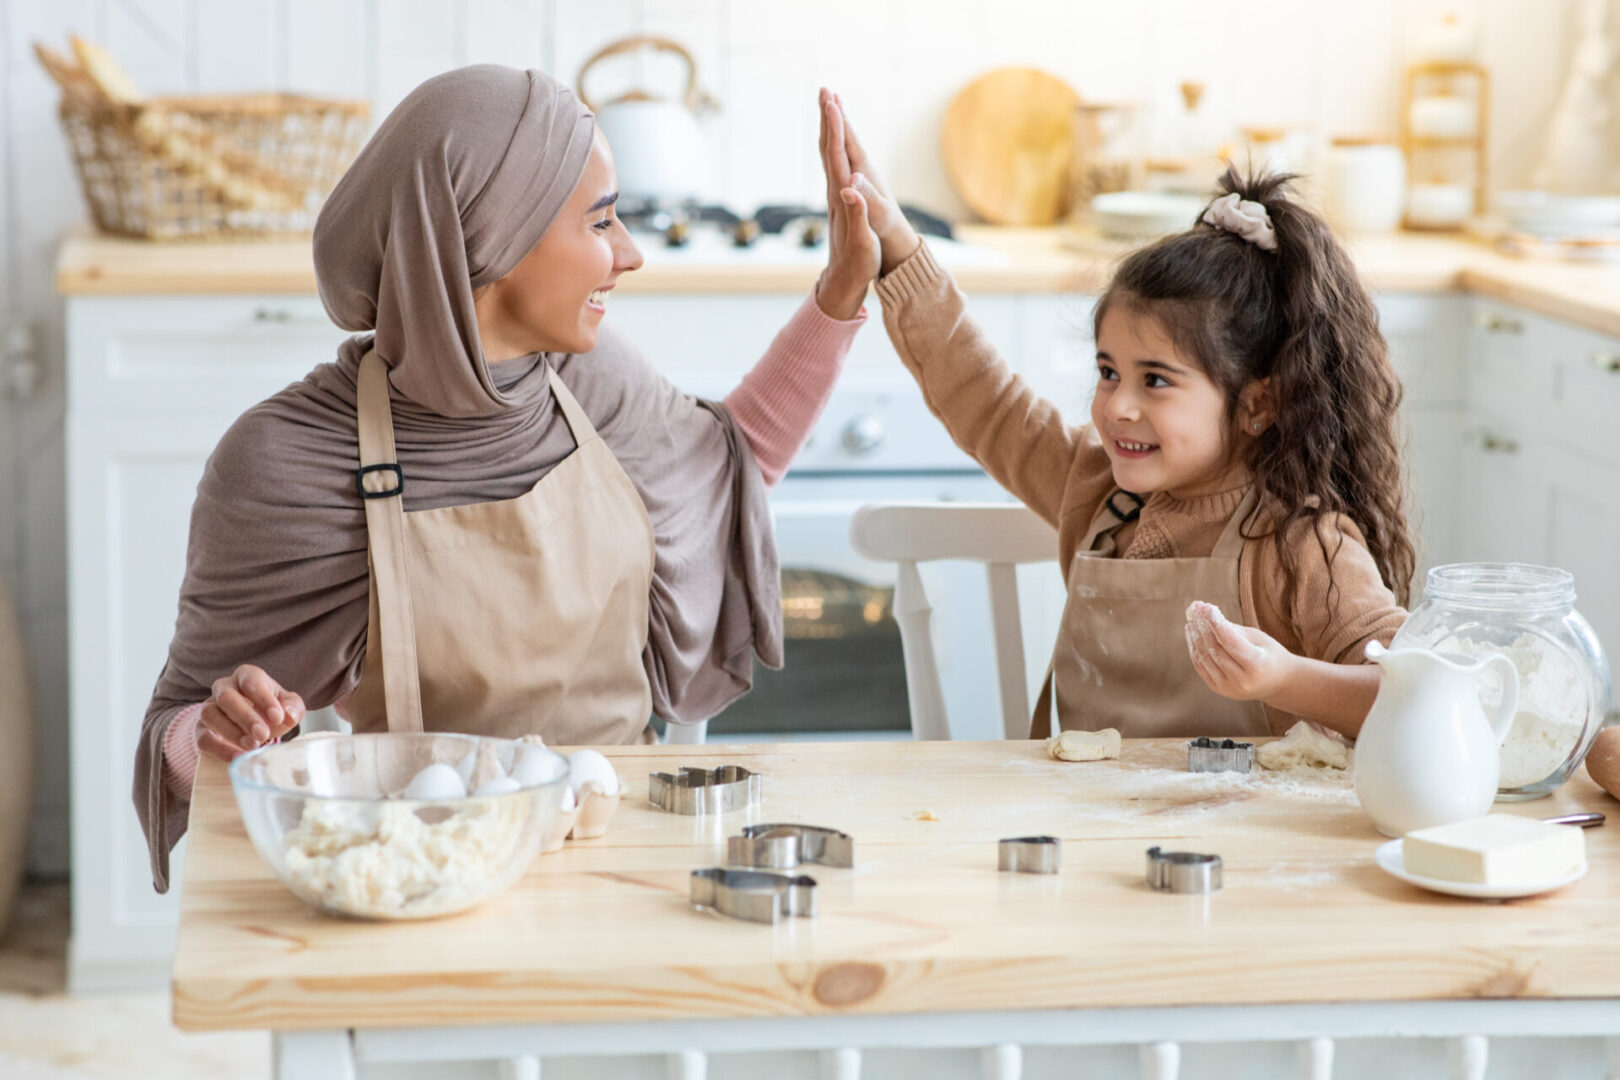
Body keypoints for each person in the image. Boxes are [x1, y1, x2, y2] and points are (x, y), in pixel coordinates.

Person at [134, 70, 881, 892]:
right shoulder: (288, 458)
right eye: (600, 222)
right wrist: (216, 734)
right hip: (421, 878)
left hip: (629, 866)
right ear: (491, 239)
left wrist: (842, 290)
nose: (629, 254)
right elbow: (176, 734)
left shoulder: (594, 387)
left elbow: (723, 478)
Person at [818, 94, 1411, 741]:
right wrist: (898, 243)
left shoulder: (1304, 543)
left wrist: (1283, 679)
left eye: (1156, 380)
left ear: (1258, 403)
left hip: (1235, 837)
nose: (1116, 406)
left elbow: (1409, 695)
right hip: (1075, 826)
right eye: (1108, 372)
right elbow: (982, 397)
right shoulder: (1094, 487)